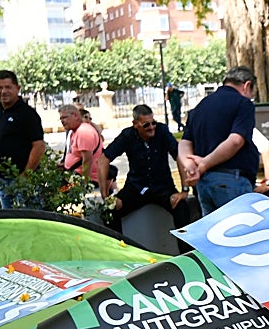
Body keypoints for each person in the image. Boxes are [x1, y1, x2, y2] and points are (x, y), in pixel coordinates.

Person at [177, 66, 258, 215]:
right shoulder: (243, 104)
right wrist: (204, 163)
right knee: (239, 234)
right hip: (232, 180)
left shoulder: (200, 106)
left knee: (213, 235)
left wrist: (190, 166)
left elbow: (185, 142)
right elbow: (235, 141)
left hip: (204, 184)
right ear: (247, 86)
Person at [96, 104, 191, 231]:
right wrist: (105, 195)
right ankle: (121, 249)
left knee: (182, 209)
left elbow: (179, 155)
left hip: (162, 187)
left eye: (153, 123)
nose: (151, 128)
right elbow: (103, 160)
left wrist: (184, 190)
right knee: (109, 211)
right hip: (136, 187)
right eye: (146, 125)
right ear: (135, 124)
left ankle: (187, 251)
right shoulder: (127, 135)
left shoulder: (162, 131)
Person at [0, 70, 45, 208]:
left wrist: (26, 175)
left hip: (22, 179)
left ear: (18, 88)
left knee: (30, 220)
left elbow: (39, 146)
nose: (4, 91)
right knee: (9, 222)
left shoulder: (28, 114)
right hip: (1, 179)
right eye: (0, 88)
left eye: (8, 87)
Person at [60, 104, 108, 188]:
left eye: (64, 117)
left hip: (82, 178)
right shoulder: (76, 130)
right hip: (73, 174)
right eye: (61, 119)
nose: (62, 121)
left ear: (75, 116)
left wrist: (84, 183)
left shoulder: (83, 132)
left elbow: (87, 160)